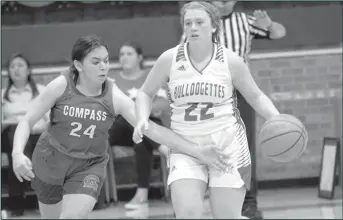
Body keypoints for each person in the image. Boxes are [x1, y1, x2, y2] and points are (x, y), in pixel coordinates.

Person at [11, 35, 231, 219]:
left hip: (88, 164)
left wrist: (197, 150)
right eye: (95, 62)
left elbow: (152, 129)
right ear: (78, 65)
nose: (104, 66)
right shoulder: (61, 85)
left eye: (106, 60)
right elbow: (26, 121)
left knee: (71, 217)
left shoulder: (114, 95)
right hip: (52, 159)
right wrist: (17, 153)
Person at [133, 2, 282, 219]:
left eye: (199, 22)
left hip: (226, 147)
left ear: (213, 26)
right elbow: (145, 93)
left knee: (227, 216)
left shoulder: (231, 60)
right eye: (188, 23)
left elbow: (256, 96)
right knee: (188, 213)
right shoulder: (169, 59)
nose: (193, 27)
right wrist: (141, 118)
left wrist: (277, 118)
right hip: (186, 148)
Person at [211, 1, 286, 218]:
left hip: (241, 93)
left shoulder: (245, 21)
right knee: (215, 147)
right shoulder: (201, 22)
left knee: (244, 146)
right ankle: (217, 200)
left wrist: (270, 26)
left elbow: (280, 33)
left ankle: (249, 203)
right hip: (210, 96)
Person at [108, 41, 169, 209]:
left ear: (139, 57)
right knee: (127, 117)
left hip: (140, 130)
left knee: (141, 140)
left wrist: (137, 110)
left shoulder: (151, 77)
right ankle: (164, 148)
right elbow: (112, 109)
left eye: (129, 54)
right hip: (118, 130)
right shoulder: (112, 80)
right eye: (121, 54)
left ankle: (142, 195)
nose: (124, 58)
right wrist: (142, 109)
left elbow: (162, 105)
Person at [1, 53, 49, 217]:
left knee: (23, 140)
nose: (16, 69)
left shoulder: (42, 92)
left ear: (29, 70)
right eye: (12, 66)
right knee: (16, 133)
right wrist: (17, 123)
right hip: (8, 137)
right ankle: (40, 194)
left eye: (20, 65)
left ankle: (16, 202)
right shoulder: (2, 95)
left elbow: (50, 120)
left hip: (37, 135)